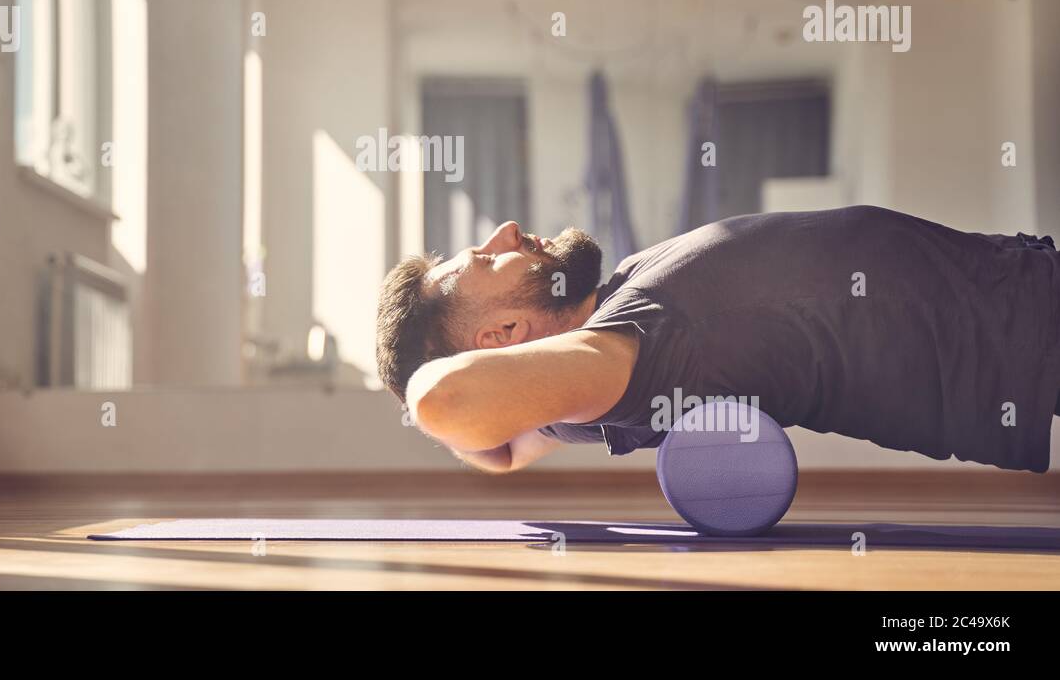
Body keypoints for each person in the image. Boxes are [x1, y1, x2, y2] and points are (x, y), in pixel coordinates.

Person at [375, 206, 1060, 474]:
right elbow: (447, 404)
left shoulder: (581, 379)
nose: (506, 235)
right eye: (486, 262)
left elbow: (501, 453)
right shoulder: (614, 358)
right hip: (1028, 329)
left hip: (1021, 290)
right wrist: (418, 390)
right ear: (505, 334)